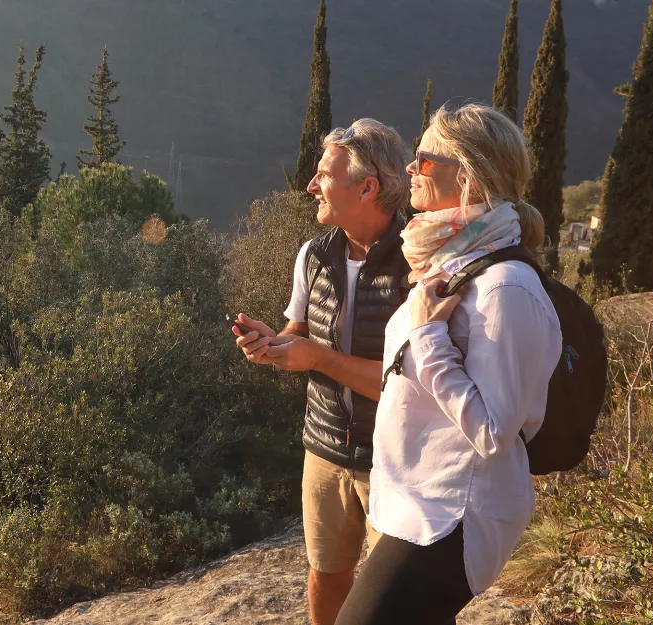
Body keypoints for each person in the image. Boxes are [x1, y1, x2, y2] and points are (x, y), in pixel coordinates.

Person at [335, 103, 561, 625]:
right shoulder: (450, 262)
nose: (410, 170)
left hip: (454, 513)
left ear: (468, 175)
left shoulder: (507, 289)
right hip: (416, 499)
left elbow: (493, 432)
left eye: (423, 159)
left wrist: (430, 334)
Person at [232, 118, 412, 625]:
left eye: (323, 175)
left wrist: (317, 357)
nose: (310, 186)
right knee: (326, 578)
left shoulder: (417, 264)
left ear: (367, 188)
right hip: (325, 452)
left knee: (395, 600)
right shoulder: (314, 255)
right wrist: (272, 343)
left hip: (395, 462)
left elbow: (414, 383)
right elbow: (299, 332)